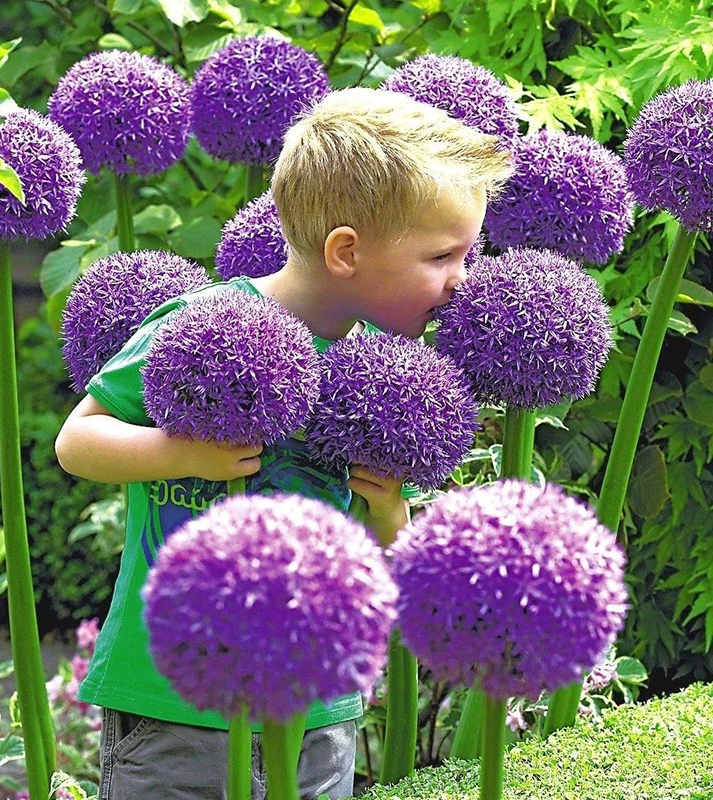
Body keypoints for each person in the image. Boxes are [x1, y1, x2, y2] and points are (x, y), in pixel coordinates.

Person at [55, 86, 512, 800]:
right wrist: (185, 455)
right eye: (442, 256)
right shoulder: (205, 325)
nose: (462, 281)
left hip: (317, 708)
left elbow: (395, 554)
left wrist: (391, 511)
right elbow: (79, 440)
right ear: (346, 251)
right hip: (176, 703)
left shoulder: (387, 380)